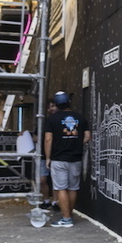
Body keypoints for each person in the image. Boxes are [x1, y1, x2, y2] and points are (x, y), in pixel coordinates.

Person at [44, 91, 91, 228]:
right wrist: (76, 144)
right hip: (76, 158)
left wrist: (47, 158)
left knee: (60, 188)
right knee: (73, 188)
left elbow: (48, 139)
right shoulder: (80, 118)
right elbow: (87, 136)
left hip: (59, 158)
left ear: (57, 104)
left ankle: (66, 218)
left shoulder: (52, 119)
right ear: (69, 102)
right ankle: (68, 215)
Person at [39, 98, 59, 211]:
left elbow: (48, 140)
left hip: (56, 155)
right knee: (42, 180)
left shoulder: (60, 121)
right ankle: (46, 201)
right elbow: (37, 137)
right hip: (43, 155)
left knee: (56, 181)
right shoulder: (44, 122)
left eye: (53, 106)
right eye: (49, 106)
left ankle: (55, 202)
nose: (51, 109)